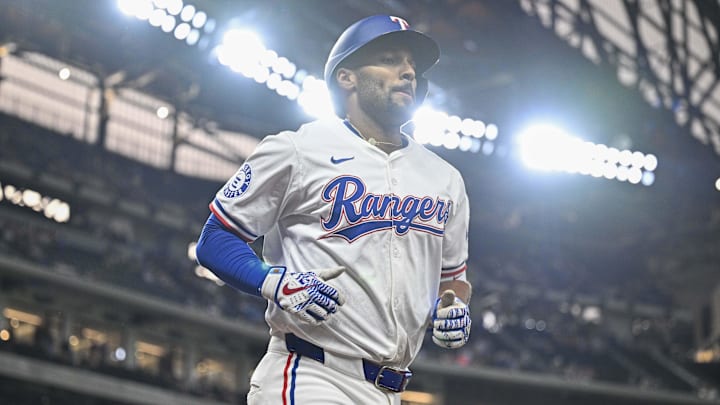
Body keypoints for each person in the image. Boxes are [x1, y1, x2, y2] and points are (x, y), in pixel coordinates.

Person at [195, 14, 472, 404]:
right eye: (391, 59)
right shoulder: (298, 148)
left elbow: (453, 279)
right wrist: (275, 281)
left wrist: (454, 306)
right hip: (310, 374)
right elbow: (215, 239)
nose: (408, 72)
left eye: (412, 65)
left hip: (389, 390)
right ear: (347, 77)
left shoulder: (445, 178)